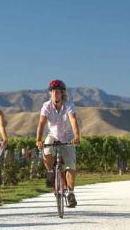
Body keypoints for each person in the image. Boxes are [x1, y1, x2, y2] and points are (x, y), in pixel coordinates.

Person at [36, 80, 80, 208]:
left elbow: (73, 120)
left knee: (70, 164)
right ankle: (50, 171)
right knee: (46, 150)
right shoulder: (46, 106)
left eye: (58, 92)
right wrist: (38, 140)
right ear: (50, 93)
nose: (55, 94)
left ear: (62, 93)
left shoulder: (69, 105)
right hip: (53, 136)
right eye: (53, 91)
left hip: (68, 137)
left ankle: (71, 194)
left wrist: (76, 137)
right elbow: (41, 124)